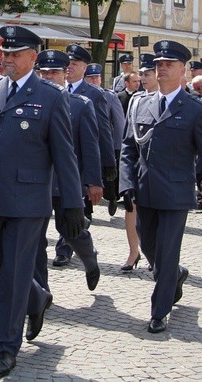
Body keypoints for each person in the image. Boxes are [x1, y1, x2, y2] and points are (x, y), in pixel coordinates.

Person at [0, 26, 85, 379]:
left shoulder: (52, 96)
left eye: (16, 54)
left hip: (28, 202)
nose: (8, 59)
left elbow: (65, 156)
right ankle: (36, 297)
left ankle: (5, 348)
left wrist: (73, 204)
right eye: (5, 53)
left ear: (33, 57)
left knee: (11, 276)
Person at [120, 40, 202, 334]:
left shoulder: (194, 109)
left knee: (167, 252)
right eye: (158, 65)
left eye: (169, 65)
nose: (162, 69)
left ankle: (159, 311)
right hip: (146, 192)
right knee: (150, 247)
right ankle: (175, 275)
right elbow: (128, 148)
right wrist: (126, 183)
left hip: (177, 194)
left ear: (183, 70)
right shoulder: (141, 104)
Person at [35, 49, 102, 291]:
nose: (48, 77)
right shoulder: (29, 102)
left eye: (54, 72)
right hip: (36, 182)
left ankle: (89, 258)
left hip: (66, 181)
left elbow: (91, 146)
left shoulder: (80, 105)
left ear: (65, 74)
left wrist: (94, 181)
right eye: (43, 72)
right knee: (34, 240)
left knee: (71, 229)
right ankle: (40, 292)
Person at [65, 44, 117, 219]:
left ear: (84, 68)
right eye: (68, 62)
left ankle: (79, 245)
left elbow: (103, 131)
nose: (70, 67)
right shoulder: (56, 90)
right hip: (58, 164)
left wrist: (108, 163)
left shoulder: (94, 95)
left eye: (75, 63)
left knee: (79, 217)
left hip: (82, 163)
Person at [119, 53, 158, 272]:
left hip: (158, 168)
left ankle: (156, 256)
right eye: (141, 73)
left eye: (148, 73)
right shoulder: (136, 100)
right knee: (132, 209)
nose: (143, 78)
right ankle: (134, 252)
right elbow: (128, 138)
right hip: (137, 166)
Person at [85, 63, 125, 216]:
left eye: (97, 77)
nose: (94, 80)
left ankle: (112, 197)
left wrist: (117, 147)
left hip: (104, 144)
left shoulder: (109, 95)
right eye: (91, 77)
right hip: (88, 144)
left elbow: (118, 122)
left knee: (107, 176)